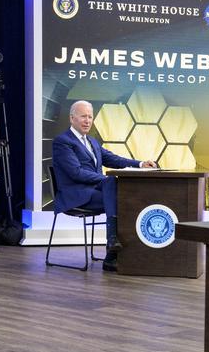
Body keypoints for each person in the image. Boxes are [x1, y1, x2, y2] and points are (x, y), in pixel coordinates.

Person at [51, 100, 155, 271]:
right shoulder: (63, 142)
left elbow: (113, 159)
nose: (87, 120)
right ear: (72, 118)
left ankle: (113, 249)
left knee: (122, 196)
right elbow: (76, 173)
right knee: (116, 191)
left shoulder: (92, 141)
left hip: (96, 193)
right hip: (76, 196)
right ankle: (112, 249)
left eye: (90, 117)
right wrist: (104, 180)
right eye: (83, 116)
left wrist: (140, 164)